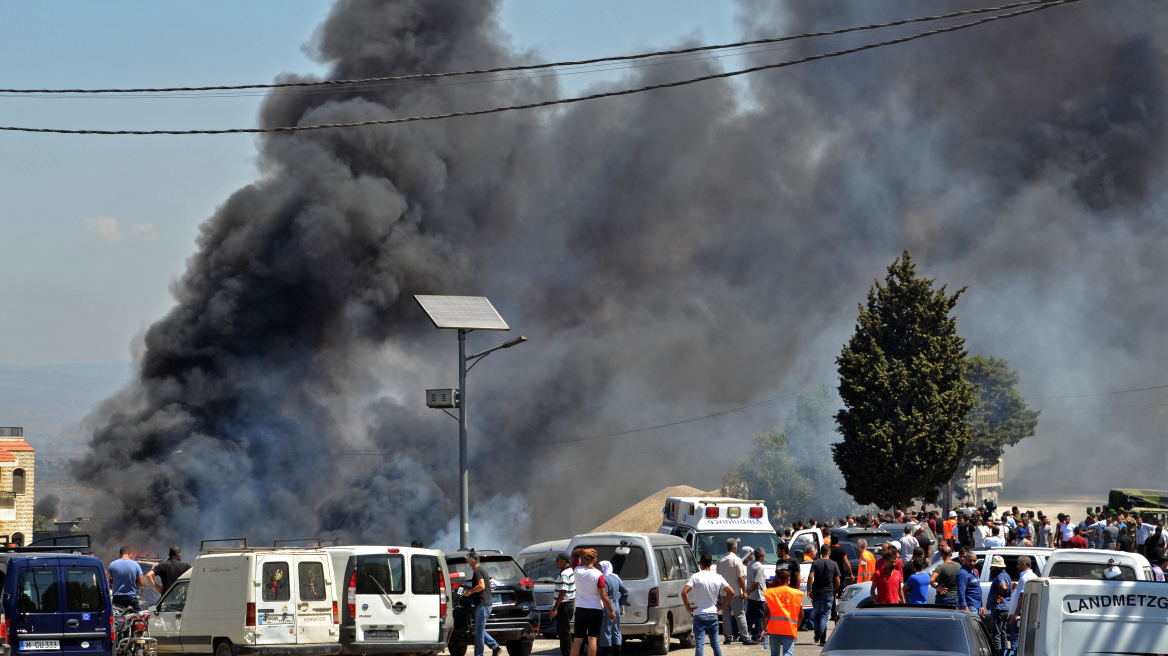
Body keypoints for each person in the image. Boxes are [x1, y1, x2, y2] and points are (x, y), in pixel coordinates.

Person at [683, 552, 733, 656]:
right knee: (715, 643)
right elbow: (731, 592)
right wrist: (722, 606)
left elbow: (684, 592)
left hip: (699, 614)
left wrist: (688, 608)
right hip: (713, 614)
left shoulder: (696, 576)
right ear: (711, 563)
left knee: (700, 644)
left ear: (700, 563)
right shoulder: (718, 577)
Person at [570, 549, 617, 656]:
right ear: (595, 559)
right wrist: (611, 610)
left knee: (577, 639)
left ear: (584, 558)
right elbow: (603, 595)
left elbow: (575, 554)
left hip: (580, 608)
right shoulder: (598, 574)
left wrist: (582, 551)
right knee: (592, 638)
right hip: (595, 609)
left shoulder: (577, 570)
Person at [462, 551, 502, 656]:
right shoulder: (482, 570)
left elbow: (481, 586)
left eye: (468, 561)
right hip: (485, 605)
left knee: (479, 632)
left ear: (472, 561)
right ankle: (495, 646)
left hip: (483, 605)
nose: (467, 564)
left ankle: (479, 654)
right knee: (479, 630)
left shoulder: (478, 572)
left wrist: (469, 591)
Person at [715, 538, 751, 645]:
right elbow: (741, 577)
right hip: (735, 593)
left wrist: (718, 592)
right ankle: (745, 637)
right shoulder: (737, 560)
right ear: (735, 548)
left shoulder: (720, 560)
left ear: (727, 547)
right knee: (740, 615)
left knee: (726, 616)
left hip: (723, 593)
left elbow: (718, 578)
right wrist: (744, 591)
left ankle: (727, 637)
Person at [805, 545, 840, 647]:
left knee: (816, 614)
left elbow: (811, 576)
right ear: (829, 552)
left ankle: (817, 635)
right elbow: (837, 580)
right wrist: (835, 591)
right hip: (828, 593)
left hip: (817, 593)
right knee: (824, 616)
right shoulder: (834, 564)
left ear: (821, 553)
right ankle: (822, 639)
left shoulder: (815, 563)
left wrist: (808, 590)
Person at [762, 570, 803, 656]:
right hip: (789, 629)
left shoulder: (770, 593)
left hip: (774, 630)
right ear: (789, 579)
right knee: (787, 653)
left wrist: (764, 629)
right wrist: (797, 624)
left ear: (777, 578)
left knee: (774, 654)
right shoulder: (796, 594)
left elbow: (766, 613)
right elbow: (801, 614)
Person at [598, 561, 628, 656]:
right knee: (616, 629)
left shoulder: (604, 579)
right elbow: (625, 592)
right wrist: (619, 603)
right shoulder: (615, 578)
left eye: (600, 567)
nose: (598, 569)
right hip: (616, 606)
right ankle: (617, 652)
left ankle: (608, 652)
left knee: (606, 630)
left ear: (604, 568)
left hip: (607, 607)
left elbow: (604, 595)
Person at [1008, 556, 1037, 653]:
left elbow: (1022, 597)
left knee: (1015, 638)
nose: (1017, 566)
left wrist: (1016, 614)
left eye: (1018, 564)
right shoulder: (1034, 576)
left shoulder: (1024, 578)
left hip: (1021, 613)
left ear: (1023, 564)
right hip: (1031, 612)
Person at [549, 552, 576, 656]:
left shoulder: (564, 574)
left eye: (557, 560)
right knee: (564, 631)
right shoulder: (569, 571)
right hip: (568, 604)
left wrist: (555, 608)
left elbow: (563, 591)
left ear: (563, 561)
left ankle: (567, 653)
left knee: (564, 633)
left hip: (564, 606)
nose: (556, 562)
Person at [986, 555, 1012, 654]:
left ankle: (997, 653)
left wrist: (997, 594)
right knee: (1003, 634)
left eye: (992, 566)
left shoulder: (1000, 576)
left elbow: (1004, 587)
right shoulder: (1006, 575)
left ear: (997, 567)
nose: (990, 568)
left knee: (996, 635)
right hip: (1004, 609)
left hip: (998, 609)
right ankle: (1006, 654)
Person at [744, 547, 768, 643]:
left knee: (750, 616)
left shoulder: (750, 564)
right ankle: (756, 635)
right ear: (762, 556)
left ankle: (746, 633)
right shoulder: (759, 566)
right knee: (760, 616)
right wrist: (748, 592)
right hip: (759, 596)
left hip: (752, 596)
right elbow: (756, 582)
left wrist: (748, 593)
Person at [828, 535, 853, 621]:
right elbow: (846, 561)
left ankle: (833, 613)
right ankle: (840, 613)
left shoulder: (828, 550)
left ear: (831, 541)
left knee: (832, 594)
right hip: (840, 575)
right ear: (838, 540)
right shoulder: (842, 550)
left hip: (830, 575)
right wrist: (851, 574)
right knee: (841, 595)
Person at [956, 550, 983, 614]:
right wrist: (965, 606)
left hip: (976, 605)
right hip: (970, 606)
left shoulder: (973, 571)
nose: (972, 563)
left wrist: (981, 605)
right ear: (965, 560)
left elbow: (977, 588)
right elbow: (961, 591)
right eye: (970, 560)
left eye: (974, 561)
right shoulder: (962, 573)